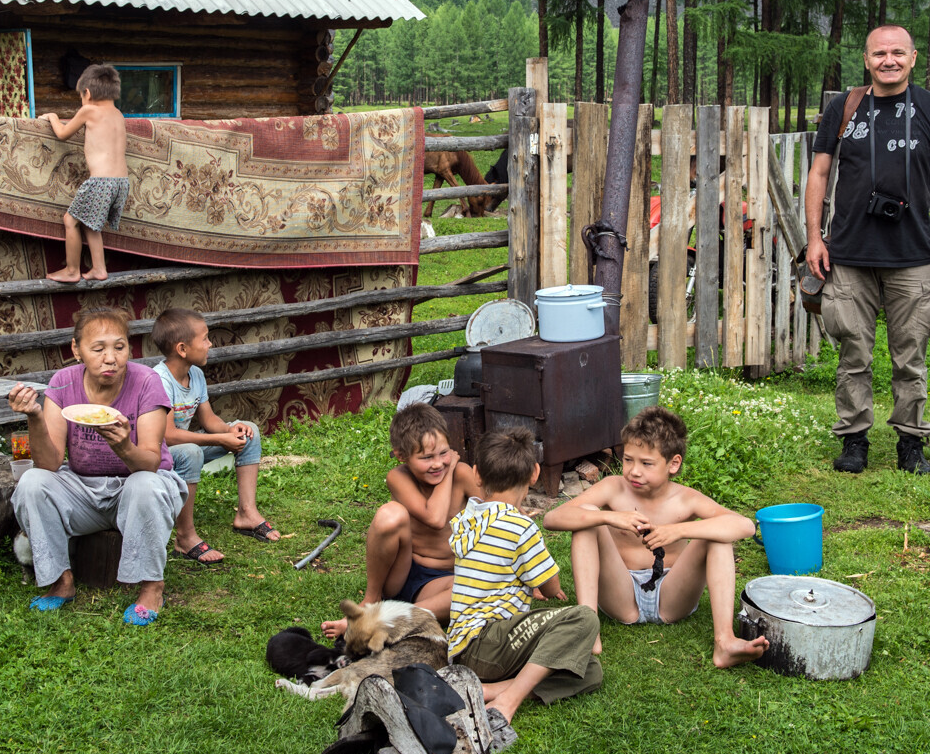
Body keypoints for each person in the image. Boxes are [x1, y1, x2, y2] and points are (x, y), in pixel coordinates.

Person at [804, 24, 930, 476]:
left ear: (913, 58)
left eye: (898, 53)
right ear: (867, 59)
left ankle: (911, 444)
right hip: (850, 254)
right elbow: (819, 174)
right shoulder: (845, 107)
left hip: (912, 254)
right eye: (880, 53)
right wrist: (815, 237)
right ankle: (854, 440)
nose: (889, 60)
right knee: (853, 353)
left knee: (910, 356)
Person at [543, 407, 768, 665]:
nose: (634, 471)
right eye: (628, 460)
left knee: (716, 534)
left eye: (646, 463)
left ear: (673, 464)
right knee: (587, 517)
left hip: (672, 597)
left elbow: (744, 526)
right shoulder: (613, 488)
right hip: (621, 594)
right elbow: (552, 519)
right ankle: (587, 629)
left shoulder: (685, 499)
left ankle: (725, 642)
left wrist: (678, 530)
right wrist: (608, 517)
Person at [6, 306, 185, 627]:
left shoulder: (147, 382)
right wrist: (34, 416)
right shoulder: (62, 383)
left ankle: (151, 587)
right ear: (77, 350)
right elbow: (48, 463)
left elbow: (150, 460)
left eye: (119, 346)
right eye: (98, 348)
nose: (111, 358)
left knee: (145, 484)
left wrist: (122, 445)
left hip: (142, 487)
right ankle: (61, 582)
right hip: (83, 489)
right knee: (32, 482)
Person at [447, 426, 602, 724]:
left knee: (588, 669)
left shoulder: (467, 518)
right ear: (534, 473)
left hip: (464, 650)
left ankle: (491, 689)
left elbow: (497, 567)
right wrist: (541, 585)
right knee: (583, 619)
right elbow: (551, 584)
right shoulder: (520, 527)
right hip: (488, 641)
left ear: (477, 475)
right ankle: (510, 699)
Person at [320, 403, 480, 638]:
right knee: (390, 514)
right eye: (427, 457)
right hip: (403, 574)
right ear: (401, 455)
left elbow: (500, 516)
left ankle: (388, 619)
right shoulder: (398, 477)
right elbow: (434, 518)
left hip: (445, 580)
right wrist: (450, 470)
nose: (438, 464)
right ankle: (371, 601)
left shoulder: (463, 474)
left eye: (444, 453)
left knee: (473, 586)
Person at [148, 307, 282, 565]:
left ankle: (247, 513)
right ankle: (184, 537)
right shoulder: (159, 380)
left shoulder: (195, 374)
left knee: (248, 430)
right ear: (182, 349)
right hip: (159, 455)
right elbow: (168, 436)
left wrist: (230, 430)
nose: (211, 344)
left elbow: (208, 419)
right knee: (190, 451)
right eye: (205, 338)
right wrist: (219, 440)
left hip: (185, 446)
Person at [43, 63, 129, 283]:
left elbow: (62, 133)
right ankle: (99, 268)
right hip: (121, 183)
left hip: (101, 182)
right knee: (91, 223)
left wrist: (52, 117)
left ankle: (72, 270)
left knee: (70, 220)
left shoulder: (89, 110)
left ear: (88, 93)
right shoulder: (118, 114)